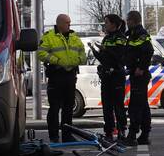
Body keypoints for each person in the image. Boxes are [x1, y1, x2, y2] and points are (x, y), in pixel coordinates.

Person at [37, 14, 87, 142]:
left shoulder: (74, 37)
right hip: (56, 75)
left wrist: (77, 60)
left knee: (68, 107)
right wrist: (57, 61)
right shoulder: (49, 36)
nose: (69, 25)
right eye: (67, 23)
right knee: (54, 107)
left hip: (70, 76)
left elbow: (82, 53)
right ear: (59, 23)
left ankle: (67, 135)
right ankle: (53, 136)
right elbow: (41, 53)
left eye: (69, 23)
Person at [93, 14, 128, 141]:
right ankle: (108, 132)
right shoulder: (106, 38)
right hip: (106, 76)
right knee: (107, 106)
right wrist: (95, 52)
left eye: (106, 23)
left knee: (118, 105)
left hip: (117, 76)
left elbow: (120, 56)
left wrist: (106, 49)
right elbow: (104, 58)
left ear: (113, 24)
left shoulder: (121, 38)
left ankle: (122, 131)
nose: (105, 25)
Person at [125, 10, 154, 145]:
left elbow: (148, 50)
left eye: (128, 20)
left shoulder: (140, 34)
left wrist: (140, 68)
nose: (126, 23)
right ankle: (144, 134)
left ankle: (133, 134)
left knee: (136, 106)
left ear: (133, 21)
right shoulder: (132, 34)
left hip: (139, 74)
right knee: (142, 105)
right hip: (135, 73)